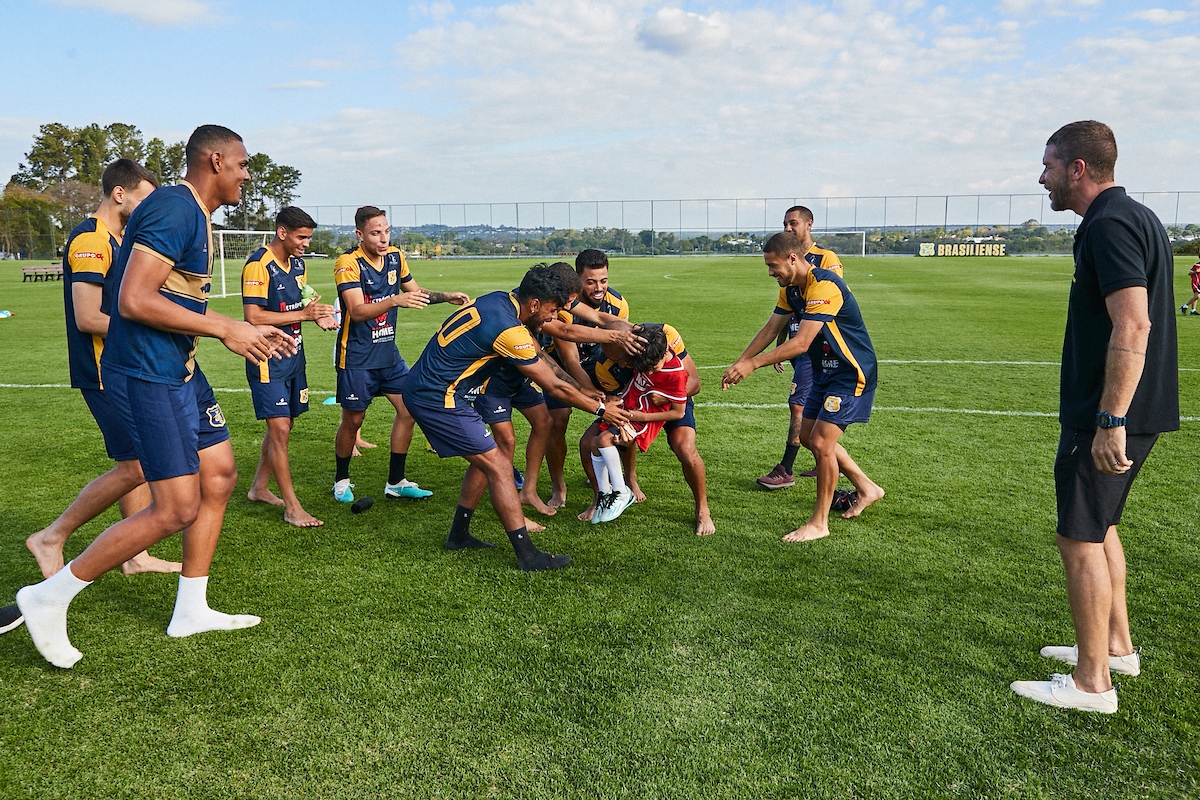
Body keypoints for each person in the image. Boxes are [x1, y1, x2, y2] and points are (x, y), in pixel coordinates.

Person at [16, 125, 295, 669]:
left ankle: (190, 609)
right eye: (241, 165)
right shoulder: (174, 208)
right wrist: (227, 329)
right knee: (175, 507)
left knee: (219, 475)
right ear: (215, 160)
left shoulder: (193, 213)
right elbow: (134, 300)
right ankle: (48, 598)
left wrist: (234, 330)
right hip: (147, 374)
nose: (246, 175)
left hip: (180, 368)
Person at [1010, 121, 1178, 713]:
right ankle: (1115, 648)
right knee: (1101, 526)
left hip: (1109, 415)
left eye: (1049, 165)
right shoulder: (1131, 216)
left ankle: (1091, 684)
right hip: (1129, 410)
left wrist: (1111, 419)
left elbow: (1134, 323)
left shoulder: (1108, 224)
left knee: (1077, 535)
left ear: (1077, 168)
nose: (1042, 176)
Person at [402, 265, 632, 571]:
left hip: (439, 391)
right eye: (551, 310)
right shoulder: (508, 330)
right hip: (437, 398)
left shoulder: (502, 301)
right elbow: (552, 385)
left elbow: (556, 351)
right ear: (535, 304)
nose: (552, 318)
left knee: (485, 462)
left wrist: (585, 388)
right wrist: (602, 410)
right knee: (498, 464)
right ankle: (528, 555)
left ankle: (459, 535)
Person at [25, 158, 181, 579]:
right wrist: (155, 330)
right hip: (102, 370)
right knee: (137, 466)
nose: (149, 207)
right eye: (145, 198)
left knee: (139, 458)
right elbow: (88, 317)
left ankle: (136, 556)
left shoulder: (119, 238)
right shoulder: (91, 240)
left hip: (124, 367)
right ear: (119, 194)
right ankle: (51, 537)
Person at [722, 231, 884, 542]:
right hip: (825, 373)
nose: (771, 272)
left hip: (851, 373)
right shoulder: (791, 290)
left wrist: (753, 364)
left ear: (793, 259)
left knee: (822, 444)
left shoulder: (824, 285)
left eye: (773, 266)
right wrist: (740, 361)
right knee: (808, 438)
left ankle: (819, 523)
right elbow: (772, 327)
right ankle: (866, 487)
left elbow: (801, 342)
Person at [331, 206, 468, 504]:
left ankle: (396, 481)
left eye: (386, 231)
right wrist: (395, 299)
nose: (383, 238)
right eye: (375, 233)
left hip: (389, 356)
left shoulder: (395, 257)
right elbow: (356, 311)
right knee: (354, 421)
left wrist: (446, 297)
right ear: (359, 235)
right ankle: (341, 480)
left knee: (409, 410)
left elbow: (415, 292)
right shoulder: (348, 262)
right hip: (357, 357)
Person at [242, 206, 337, 527]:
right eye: (301, 237)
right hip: (267, 357)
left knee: (284, 426)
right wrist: (304, 315)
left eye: (308, 238)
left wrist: (317, 313)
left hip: (295, 354)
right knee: (280, 429)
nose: (306, 244)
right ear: (282, 232)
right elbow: (253, 317)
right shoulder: (258, 266)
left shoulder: (297, 265)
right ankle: (292, 508)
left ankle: (258, 487)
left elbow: (301, 302)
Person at [581, 319, 714, 536]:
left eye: (625, 359)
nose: (622, 365)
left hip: (670, 401)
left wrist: (666, 397)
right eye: (617, 361)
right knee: (589, 442)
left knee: (685, 449)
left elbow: (694, 383)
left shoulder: (666, 336)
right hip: (637, 405)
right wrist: (615, 409)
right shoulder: (604, 367)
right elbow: (620, 397)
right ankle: (608, 495)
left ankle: (702, 509)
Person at [757, 205, 844, 490]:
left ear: (809, 224)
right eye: (785, 223)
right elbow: (784, 313)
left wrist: (753, 362)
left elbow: (835, 300)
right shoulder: (787, 265)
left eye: (793, 223)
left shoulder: (825, 260)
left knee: (797, 405)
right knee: (811, 420)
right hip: (797, 341)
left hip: (814, 343)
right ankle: (829, 462)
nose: (788, 228)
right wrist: (782, 342)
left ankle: (787, 468)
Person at [543, 249, 631, 509]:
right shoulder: (564, 302)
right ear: (577, 279)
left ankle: (629, 479)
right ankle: (559, 486)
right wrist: (587, 390)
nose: (598, 288)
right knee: (557, 419)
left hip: (600, 360)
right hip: (560, 362)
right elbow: (569, 358)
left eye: (603, 280)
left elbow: (618, 338)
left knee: (622, 408)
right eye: (590, 281)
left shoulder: (618, 303)